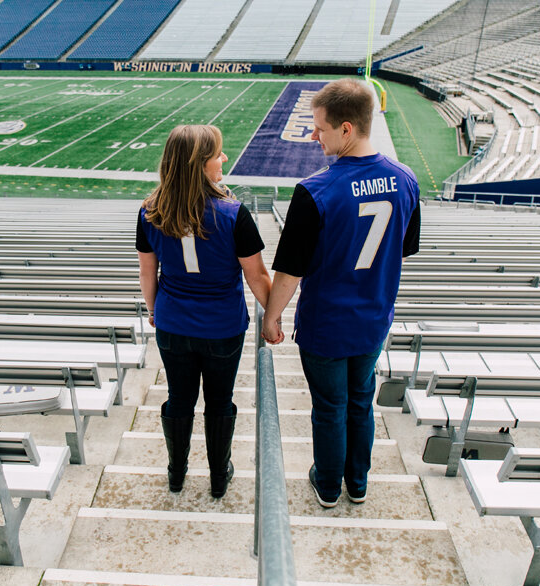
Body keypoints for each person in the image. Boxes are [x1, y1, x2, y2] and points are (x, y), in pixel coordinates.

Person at [261, 79, 421, 508]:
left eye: (321, 129)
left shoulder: (315, 190)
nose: (315, 136)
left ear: (347, 129)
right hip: (372, 320)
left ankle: (329, 485)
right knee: (360, 403)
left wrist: (271, 317)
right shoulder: (406, 179)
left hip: (327, 324)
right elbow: (402, 249)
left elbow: (290, 272)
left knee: (330, 407)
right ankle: (359, 483)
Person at [137, 124, 273, 499]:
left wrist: (155, 311)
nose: (224, 159)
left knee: (179, 397)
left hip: (173, 321)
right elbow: (258, 276)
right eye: (217, 153)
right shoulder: (233, 213)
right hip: (222, 326)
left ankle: (176, 474)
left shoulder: (150, 211)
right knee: (219, 400)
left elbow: (148, 272)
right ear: (199, 164)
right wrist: (273, 316)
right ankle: (217, 476)